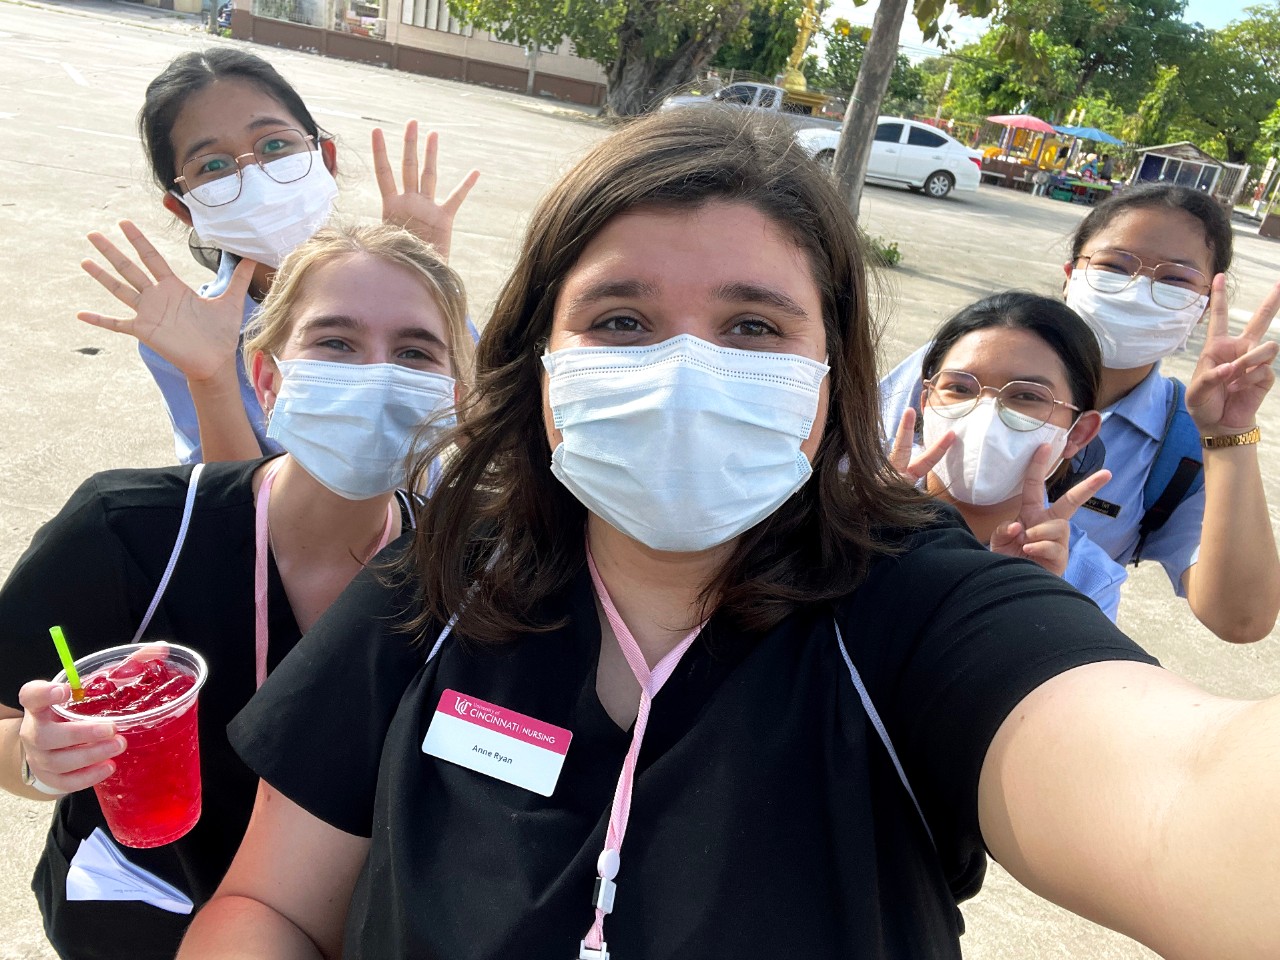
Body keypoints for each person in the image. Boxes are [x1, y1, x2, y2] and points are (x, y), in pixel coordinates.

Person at [175, 111, 1280, 960]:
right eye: (620, 321)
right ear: (540, 366)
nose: (683, 372)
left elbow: (1185, 795)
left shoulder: (925, 614)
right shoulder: (440, 579)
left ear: (828, 373)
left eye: (752, 326)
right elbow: (272, 904)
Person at [0, 223, 472, 960]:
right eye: (337, 343)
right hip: (137, 916)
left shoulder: (461, 583)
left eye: (413, 353)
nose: (374, 374)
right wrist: (37, 755)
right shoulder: (131, 530)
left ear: (453, 398)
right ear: (268, 379)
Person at [880, 183, 1280, 642]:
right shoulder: (960, 364)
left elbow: (1241, 617)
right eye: (1114, 266)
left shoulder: (1182, 445)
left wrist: (1230, 433)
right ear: (1071, 273)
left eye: (1174, 279)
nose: (1137, 290)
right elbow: (847, 466)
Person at [113, 47, 477, 463]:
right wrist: (210, 378)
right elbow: (229, 500)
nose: (255, 175)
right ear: (183, 207)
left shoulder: (411, 288)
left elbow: (485, 434)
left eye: (274, 145)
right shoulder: (180, 334)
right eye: (213, 166)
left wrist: (425, 280)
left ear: (325, 158)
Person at [888, 292, 1121, 618]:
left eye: (1026, 396)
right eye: (959, 388)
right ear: (926, 401)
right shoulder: (845, 497)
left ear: (1077, 433)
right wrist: (851, 535)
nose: (985, 415)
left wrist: (1028, 594)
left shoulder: (1088, 582)